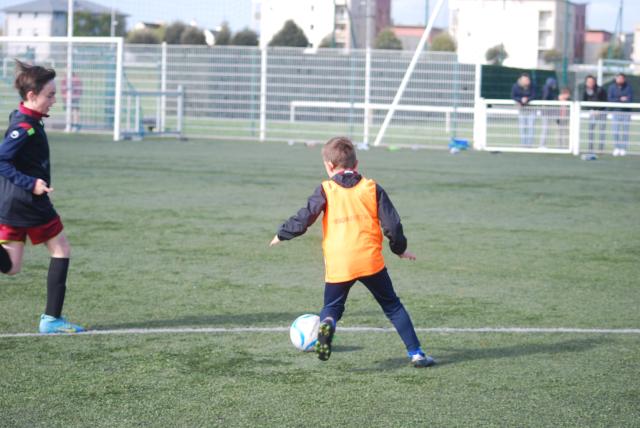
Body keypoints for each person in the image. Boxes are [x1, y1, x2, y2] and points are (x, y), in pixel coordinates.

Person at [269, 137, 435, 368]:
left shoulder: (325, 189)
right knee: (392, 306)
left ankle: (327, 323)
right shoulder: (372, 187)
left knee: (332, 307)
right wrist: (399, 249)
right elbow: (393, 226)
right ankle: (416, 353)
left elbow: (305, 216)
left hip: (340, 262)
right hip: (369, 260)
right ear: (357, 165)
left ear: (328, 165)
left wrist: (283, 233)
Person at [0, 60, 85, 334]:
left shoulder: (26, 119)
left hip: (13, 203)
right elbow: (1, 159)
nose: (54, 100)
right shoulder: (25, 126)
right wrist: (32, 183)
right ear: (31, 96)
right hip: (27, 202)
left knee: (12, 267)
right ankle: (51, 319)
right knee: (61, 249)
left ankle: (52, 319)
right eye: (49, 95)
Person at [607, 73, 633, 156]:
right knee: (615, 131)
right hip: (616, 112)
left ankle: (623, 149)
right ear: (616, 78)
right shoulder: (611, 87)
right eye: (619, 78)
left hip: (626, 112)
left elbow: (629, 99)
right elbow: (610, 99)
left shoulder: (628, 87)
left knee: (625, 131)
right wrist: (620, 99)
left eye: (622, 78)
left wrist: (623, 99)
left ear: (624, 79)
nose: (620, 80)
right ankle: (617, 147)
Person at [582, 75, 607, 153]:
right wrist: (590, 110)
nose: (590, 83)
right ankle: (590, 148)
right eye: (588, 82)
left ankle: (600, 149)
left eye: (591, 81)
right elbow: (584, 101)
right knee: (591, 131)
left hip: (601, 113)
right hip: (592, 113)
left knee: (601, 131)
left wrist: (599, 110)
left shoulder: (600, 89)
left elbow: (605, 101)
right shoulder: (585, 91)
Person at [511, 73, 536, 146]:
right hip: (521, 110)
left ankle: (529, 145)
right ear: (521, 80)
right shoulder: (515, 86)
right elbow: (513, 96)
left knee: (531, 127)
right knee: (522, 127)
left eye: (527, 80)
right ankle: (523, 145)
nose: (526, 81)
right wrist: (520, 100)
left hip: (531, 110)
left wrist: (527, 99)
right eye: (524, 80)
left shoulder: (533, 86)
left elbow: (534, 95)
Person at [539, 77, 558, 148]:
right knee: (545, 128)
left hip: (549, 112)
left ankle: (543, 144)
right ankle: (542, 145)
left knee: (547, 128)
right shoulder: (547, 89)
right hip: (547, 112)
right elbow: (545, 99)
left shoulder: (547, 89)